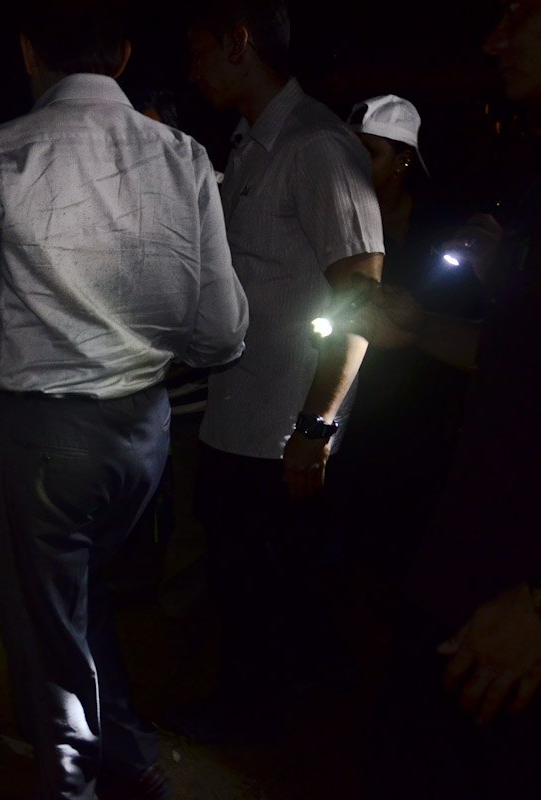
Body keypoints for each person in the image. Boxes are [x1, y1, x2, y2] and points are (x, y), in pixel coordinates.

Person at [0, 2, 248, 797]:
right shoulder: (185, 156)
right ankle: (130, 752)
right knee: (77, 602)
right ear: (122, 54)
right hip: (144, 432)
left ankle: (72, 781)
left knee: (45, 638)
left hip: (44, 440)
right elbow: (223, 333)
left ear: (28, 51)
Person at [168, 0, 385, 743]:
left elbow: (362, 296)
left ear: (239, 43)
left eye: (200, 49)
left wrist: (316, 427)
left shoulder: (317, 145)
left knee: (270, 589)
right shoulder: (248, 145)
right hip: (236, 412)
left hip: (282, 430)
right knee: (242, 583)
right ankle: (255, 707)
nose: (192, 68)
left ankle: (262, 727)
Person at [349, 2, 541, 796]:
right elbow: (514, 359)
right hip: (465, 564)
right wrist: (423, 327)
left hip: (513, 607)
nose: (493, 40)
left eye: (521, 13)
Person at [334, 94, 484, 605]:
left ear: (403, 160)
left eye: (369, 152)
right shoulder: (339, 226)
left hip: (429, 419)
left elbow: (473, 326)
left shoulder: (447, 230)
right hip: (360, 412)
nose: (354, 165)